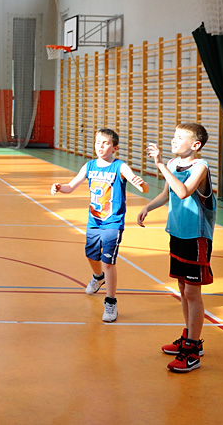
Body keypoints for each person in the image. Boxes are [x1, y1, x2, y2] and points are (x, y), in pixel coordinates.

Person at [137, 123, 216, 373]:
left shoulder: (200, 167)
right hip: (178, 233)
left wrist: (160, 164)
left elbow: (182, 192)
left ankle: (192, 350)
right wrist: (148, 207)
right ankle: (190, 337)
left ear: (195, 145)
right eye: (174, 136)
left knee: (192, 292)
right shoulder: (172, 164)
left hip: (196, 237)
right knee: (182, 288)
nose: (173, 140)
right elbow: (167, 194)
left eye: (180, 137)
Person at [50, 128, 149, 322]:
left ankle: (111, 302)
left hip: (113, 221)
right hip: (94, 221)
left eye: (105, 143)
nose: (100, 146)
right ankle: (98, 277)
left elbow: (142, 188)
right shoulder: (89, 166)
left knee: (108, 262)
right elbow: (71, 186)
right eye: (97, 142)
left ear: (114, 148)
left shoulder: (120, 167)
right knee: (91, 255)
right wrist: (60, 187)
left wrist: (142, 184)